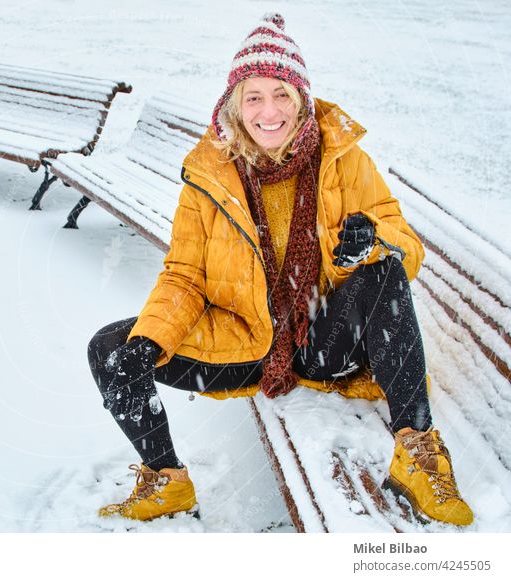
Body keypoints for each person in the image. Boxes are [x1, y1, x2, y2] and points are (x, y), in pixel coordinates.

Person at [87, 13, 473, 527]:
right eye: (254, 96)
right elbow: (184, 275)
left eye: (282, 95)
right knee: (112, 350)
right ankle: (167, 482)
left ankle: (417, 453)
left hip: (324, 342)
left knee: (385, 272)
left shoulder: (343, 160)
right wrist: (151, 339)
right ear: (234, 105)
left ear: (302, 100)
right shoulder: (208, 176)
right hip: (245, 344)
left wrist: (374, 242)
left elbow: (407, 247)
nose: (269, 111)